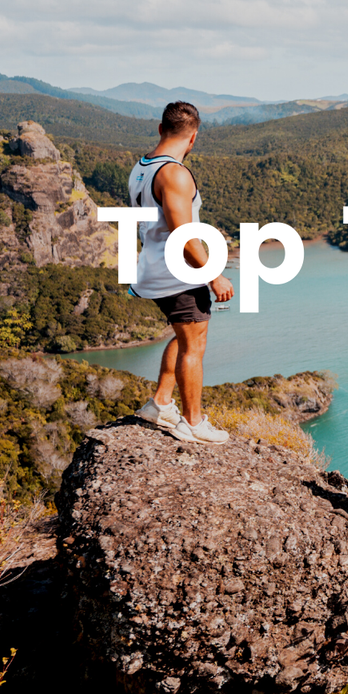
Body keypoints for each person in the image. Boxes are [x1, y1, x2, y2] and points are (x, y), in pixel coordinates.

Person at [130, 101, 234, 444]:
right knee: (194, 345)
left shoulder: (141, 168)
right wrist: (213, 275)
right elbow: (182, 234)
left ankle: (159, 403)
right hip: (178, 274)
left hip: (153, 270)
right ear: (194, 138)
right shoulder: (175, 173)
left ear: (161, 129)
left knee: (183, 335)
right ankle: (192, 422)